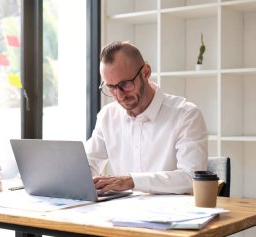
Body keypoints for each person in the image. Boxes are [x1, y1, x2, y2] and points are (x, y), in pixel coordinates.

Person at [86, 41, 208, 195]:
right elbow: (86, 167)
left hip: (171, 215)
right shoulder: (107, 116)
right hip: (120, 212)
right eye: (111, 87)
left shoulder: (186, 115)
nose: (119, 95)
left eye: (125, 84)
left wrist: (131, 181)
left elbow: (191, 178)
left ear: (145, 72)